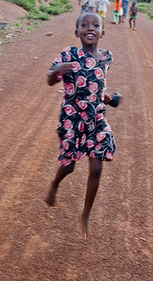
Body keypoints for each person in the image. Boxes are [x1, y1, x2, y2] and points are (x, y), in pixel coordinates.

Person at [46, 13, 117, 239]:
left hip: (95, 118)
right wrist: (58, 71)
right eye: (84, 25)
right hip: (72, 119)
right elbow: (50, 78)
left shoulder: (106, 57)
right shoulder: (68, 54)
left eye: (96, 25)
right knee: (69, 167)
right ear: (76, 32)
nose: (90, 28)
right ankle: (55, 184)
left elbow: (97, 82)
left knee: (96, 168)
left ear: (102, 32)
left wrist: (108, 98)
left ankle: (86, 214)